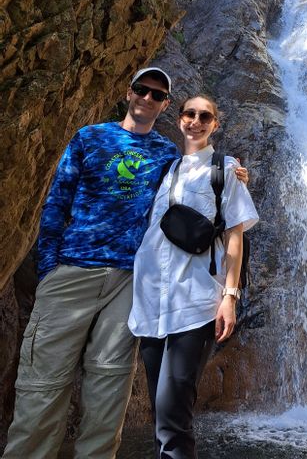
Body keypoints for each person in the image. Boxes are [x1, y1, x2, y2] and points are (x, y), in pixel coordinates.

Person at [2, 68, 248, 459]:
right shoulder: (89, 137)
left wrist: (235, 173)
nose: (147, 99)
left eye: (157, 95)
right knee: (43, 382)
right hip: (73, 271)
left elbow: (205, 180)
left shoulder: (169, 156)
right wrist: (50, 270)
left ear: (165, 105)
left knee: (109, 387)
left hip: (129, 282)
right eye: (142, 90)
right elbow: (56, 204)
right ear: (128, 92)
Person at [128, 93, 258, 459]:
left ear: (215, 124)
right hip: (152, 302)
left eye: (205, 116)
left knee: (173, 414)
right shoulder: (166, 170)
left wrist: (230, 298)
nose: (196, 121)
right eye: (190, 114)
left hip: (197, 301)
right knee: (161, 412)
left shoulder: (225, 168)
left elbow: (235, 235)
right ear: (180, 119)